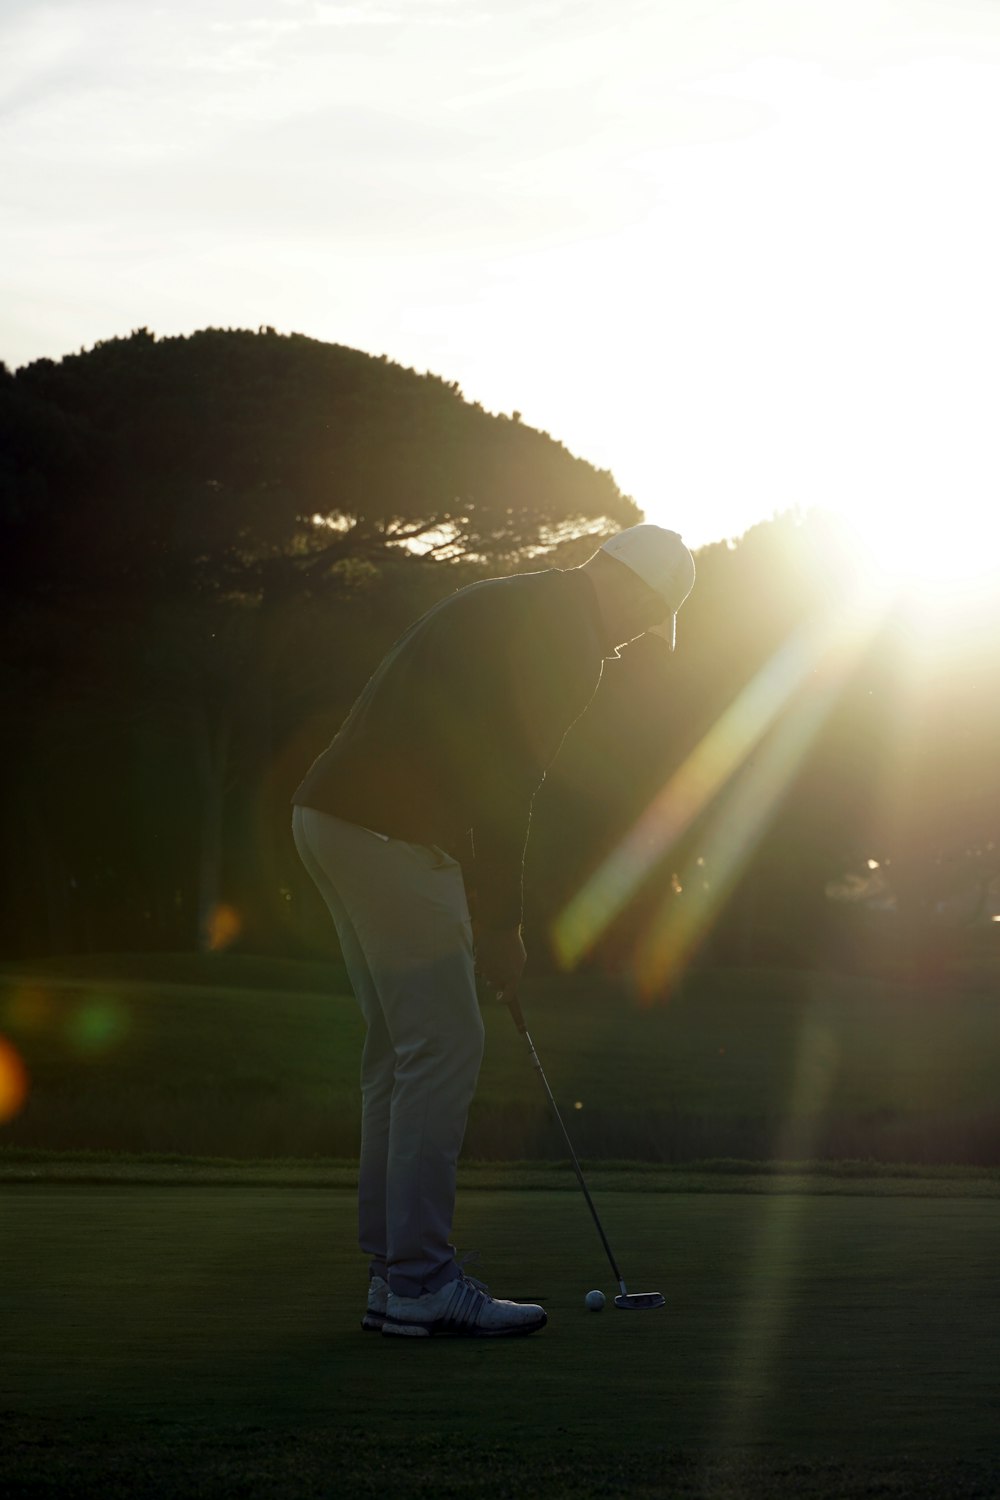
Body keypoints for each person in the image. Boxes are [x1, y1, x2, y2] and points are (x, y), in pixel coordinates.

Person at [290, 523, 695, 1338]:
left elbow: (471, 761)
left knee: (399, 1052)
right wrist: (504, 926)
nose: (628, 645)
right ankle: (420, 1279)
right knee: (445, 1046)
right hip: (386, 831)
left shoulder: (519, 599)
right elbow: (512, 791)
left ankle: (392, 1273)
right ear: (629, 590)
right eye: (642, 623)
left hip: (329, 816)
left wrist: (479, 906)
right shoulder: (571, 641)